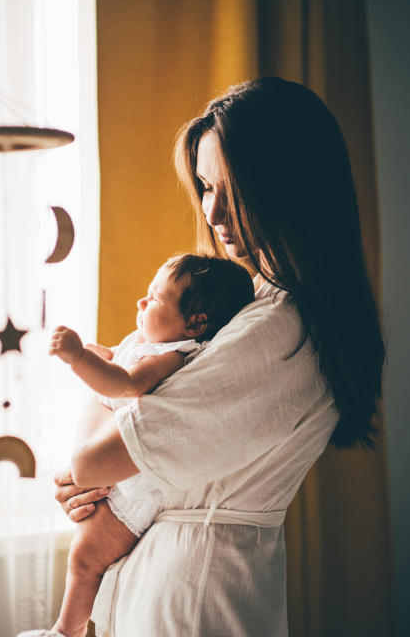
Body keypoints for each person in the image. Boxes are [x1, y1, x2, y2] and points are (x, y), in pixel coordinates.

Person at [50, 77, 385, 636]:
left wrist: (83, 469)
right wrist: (87, 473)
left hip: (194, 600)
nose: (212, 210)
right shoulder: (256, 308)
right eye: (206, 186)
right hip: (174, 586)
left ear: (291, 186)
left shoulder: (280, 328)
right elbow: (111, 455)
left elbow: (97, 458)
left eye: (234, 188)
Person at [19, 254, 255, 637]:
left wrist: (79, 358)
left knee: (85, 558)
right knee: (83, 553)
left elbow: (123, 384)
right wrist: (101, 355)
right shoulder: (145, 340)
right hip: (114, 477)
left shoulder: (173, 357)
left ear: (195, 323)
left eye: (154, 299)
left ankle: (68, 631)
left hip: (133, 494)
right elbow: (116, 363)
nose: (140, 303)